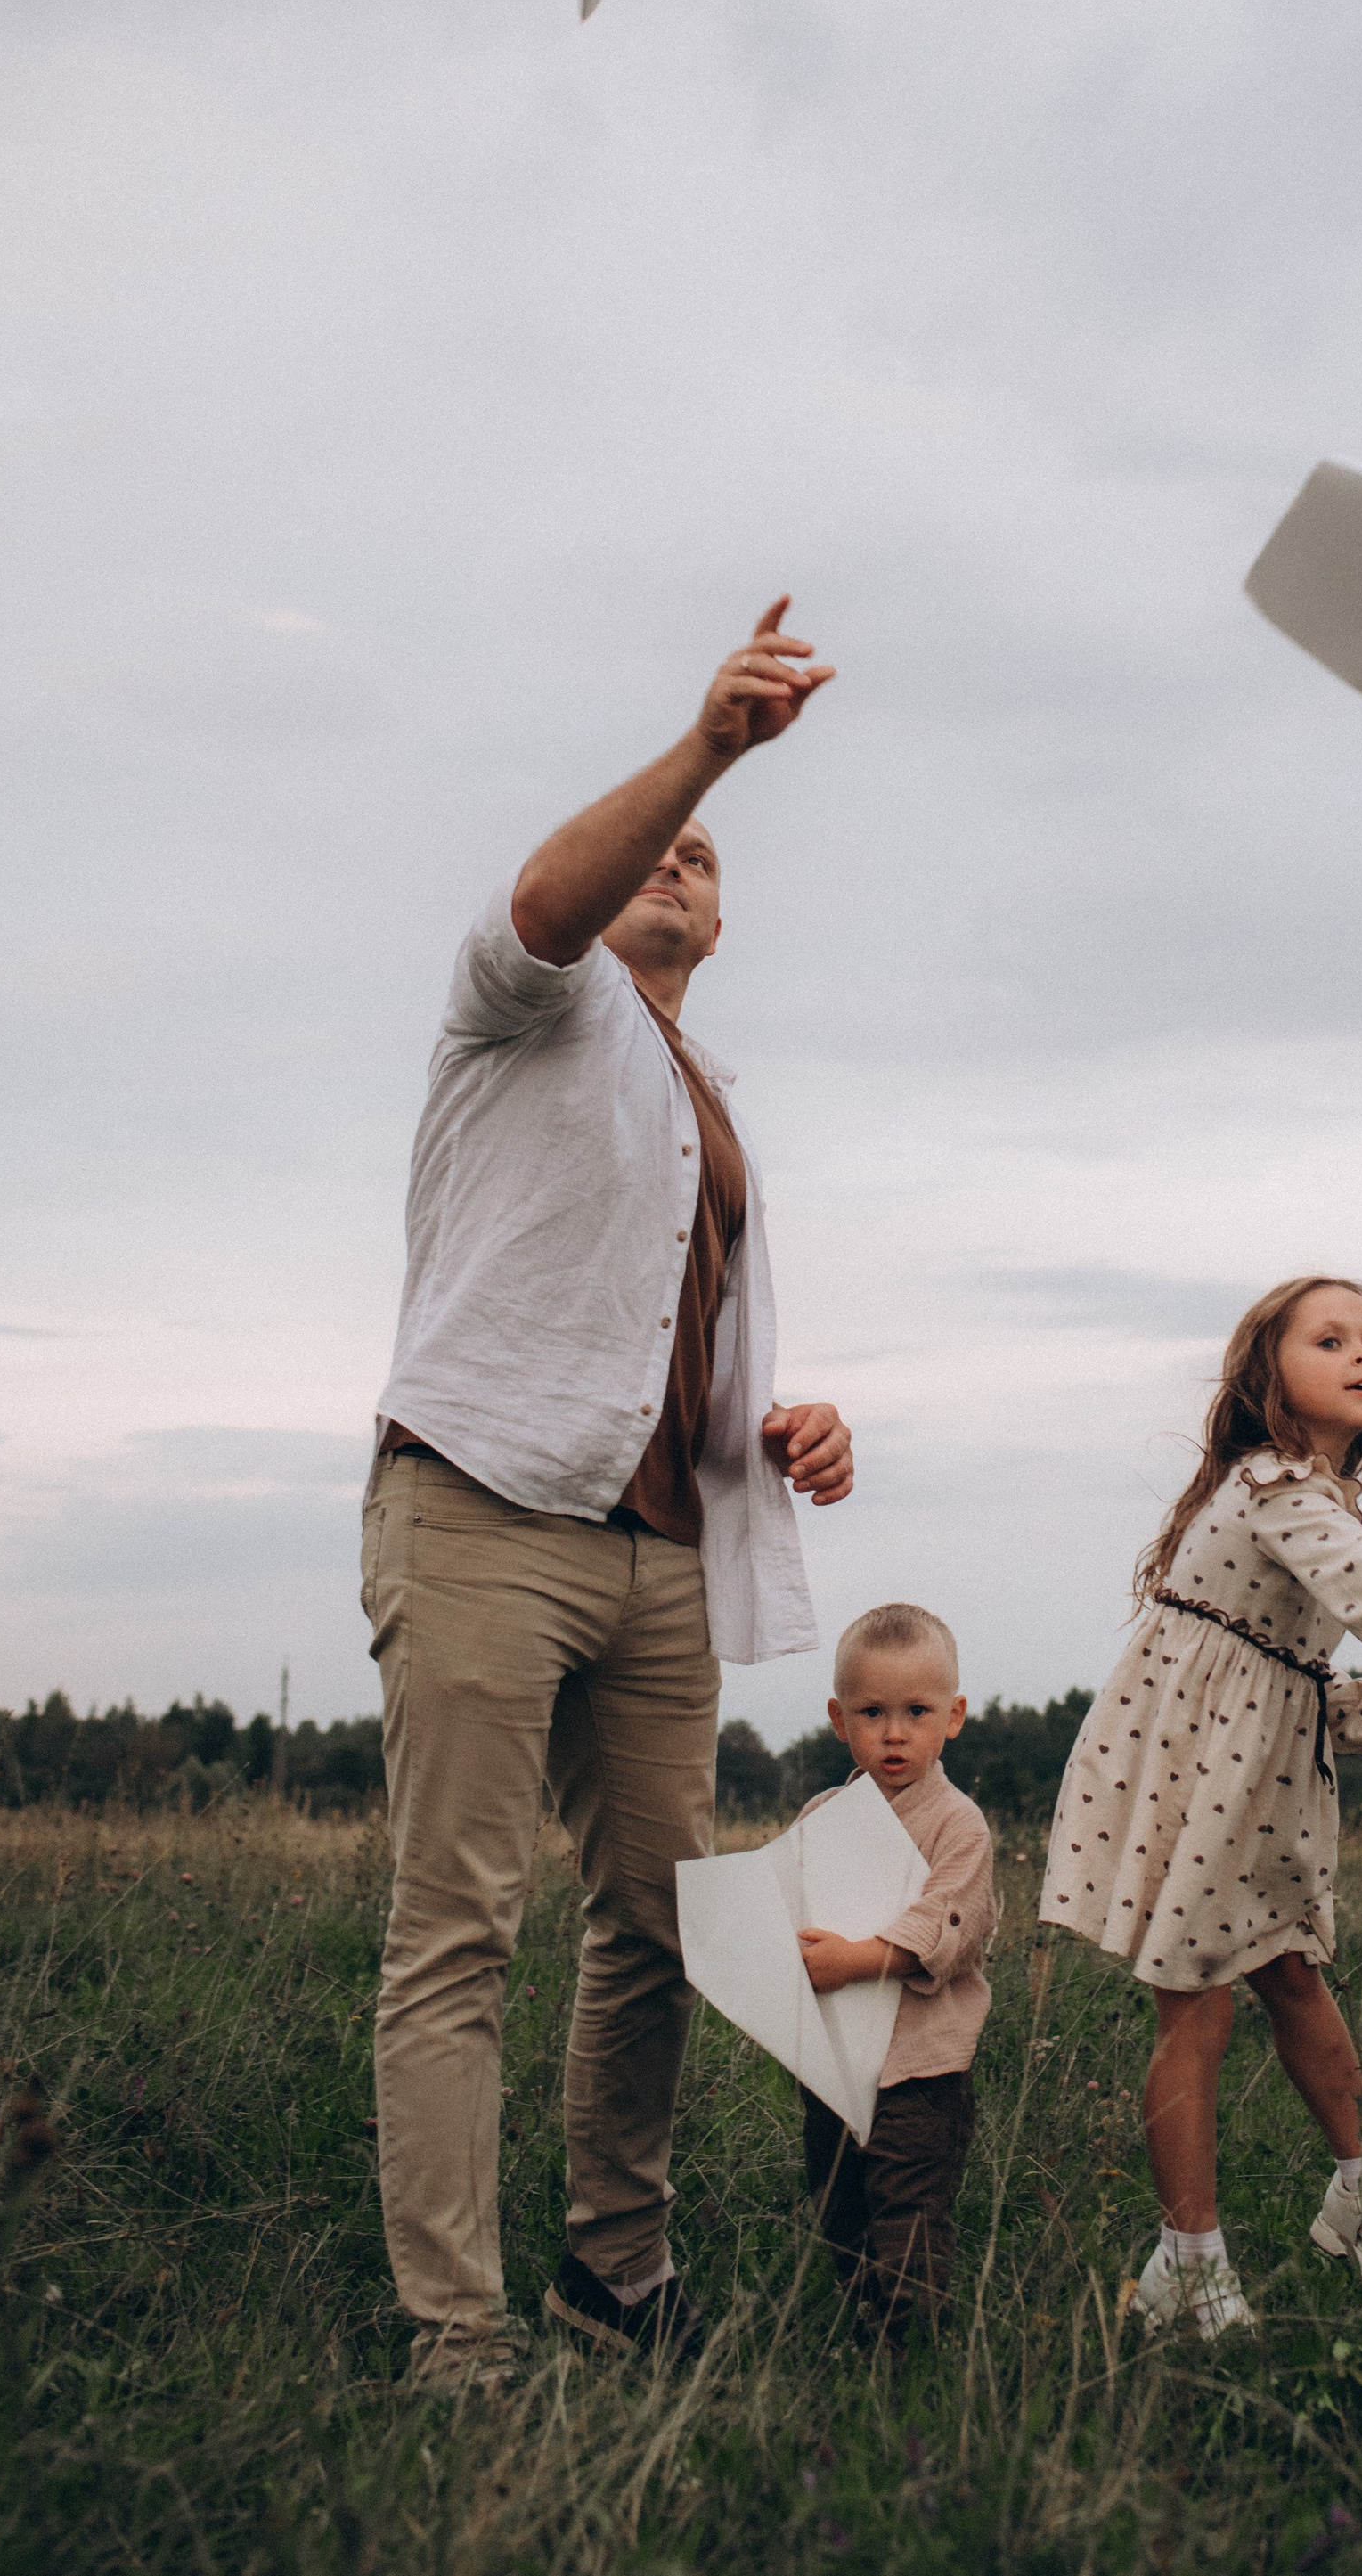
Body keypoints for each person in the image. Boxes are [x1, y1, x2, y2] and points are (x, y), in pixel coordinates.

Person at [361, 600, 858, 2392]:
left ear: (721, 920)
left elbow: (674, 1327)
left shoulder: (709, 1094)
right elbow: (547, 895)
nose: (676, 863)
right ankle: (454, 2329)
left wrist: (777, 1428)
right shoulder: (529, 997)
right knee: (458, 1924)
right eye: (660, 842)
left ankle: (612, 2275)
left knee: (656, 1918)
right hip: (485, 1506)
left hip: (658, 1549)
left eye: (704, 860)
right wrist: (705, 750)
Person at [1037, 1275, 1362, 2335]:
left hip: (1260, 1782)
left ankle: (1358, 2196)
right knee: (1198, 2005)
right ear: (1266, 1374)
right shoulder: (1276, 1483)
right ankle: (1186, 2267)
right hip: (1198, 1783)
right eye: (1329, 1340)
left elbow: (1273, 1670)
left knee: (1293, 1974)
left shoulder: (1311, 1500)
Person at [792, 1601, 997, 2343]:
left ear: (954, 1716)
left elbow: (949, 1926)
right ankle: (859, 2326)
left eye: (917, 1710)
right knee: (839, 2204)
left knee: (907, 2209)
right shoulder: (823, 1814)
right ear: (839, 1719)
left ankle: (909, 2347)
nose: (895, 1731)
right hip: (836, 2060)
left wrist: (855, 1959)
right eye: (872, 1711)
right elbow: (791, 1904)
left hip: (920, 2065)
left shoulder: (957, 1823)